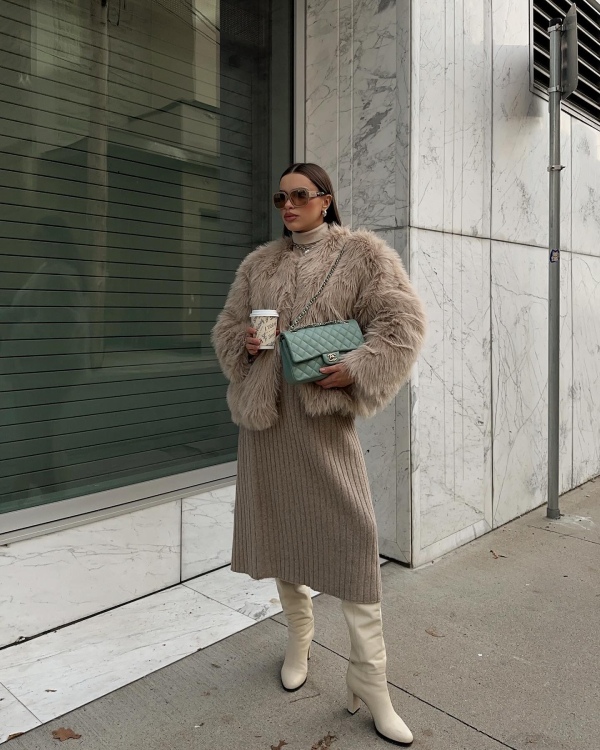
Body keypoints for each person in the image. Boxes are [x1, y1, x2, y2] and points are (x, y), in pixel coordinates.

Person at [212, 163, 426, 746]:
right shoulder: (259, 263)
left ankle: (372, 680)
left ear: (326, 200)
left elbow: (401, 324)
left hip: (323, 424)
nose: (288, 204)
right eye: (280, 196)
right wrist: (247, 344)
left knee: (354, 540)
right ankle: (299, 636)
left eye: (300, 195)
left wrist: (354, 368)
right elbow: (227, 329)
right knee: (284, 533)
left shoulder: (361, 255)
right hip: (266, 425)